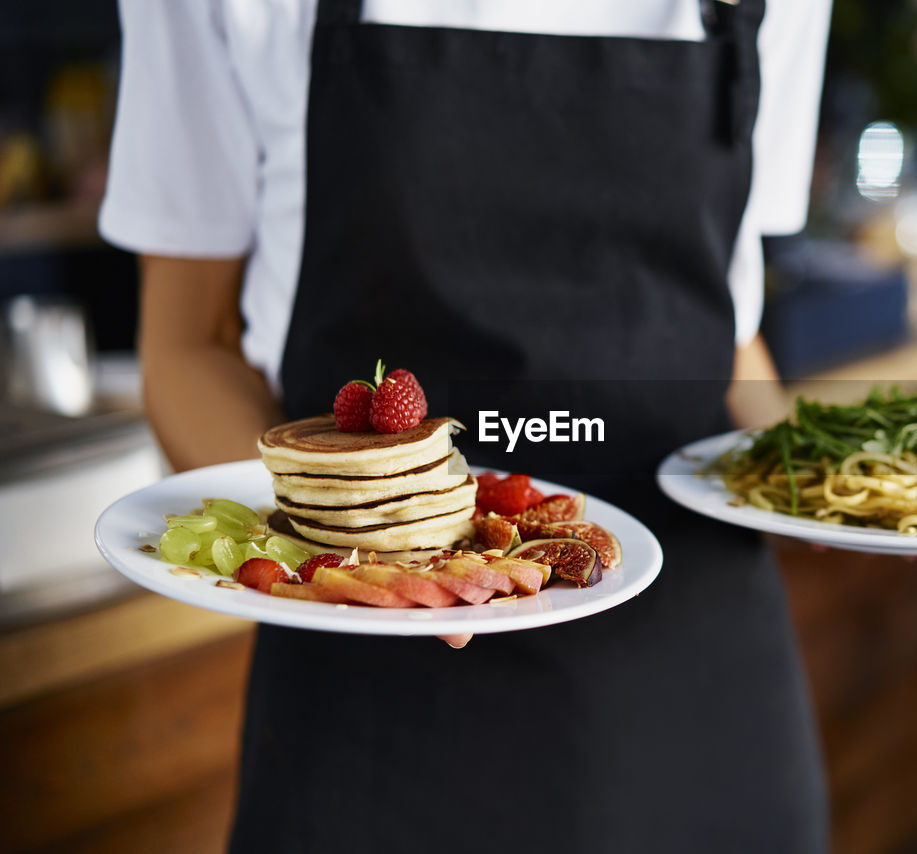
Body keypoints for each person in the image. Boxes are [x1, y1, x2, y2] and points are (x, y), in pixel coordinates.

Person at [101, 1, 877, 851]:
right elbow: (187, 343)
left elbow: (724, 336)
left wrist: (833, 487)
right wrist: (340, 564)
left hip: (700, 669)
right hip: (374, 687)